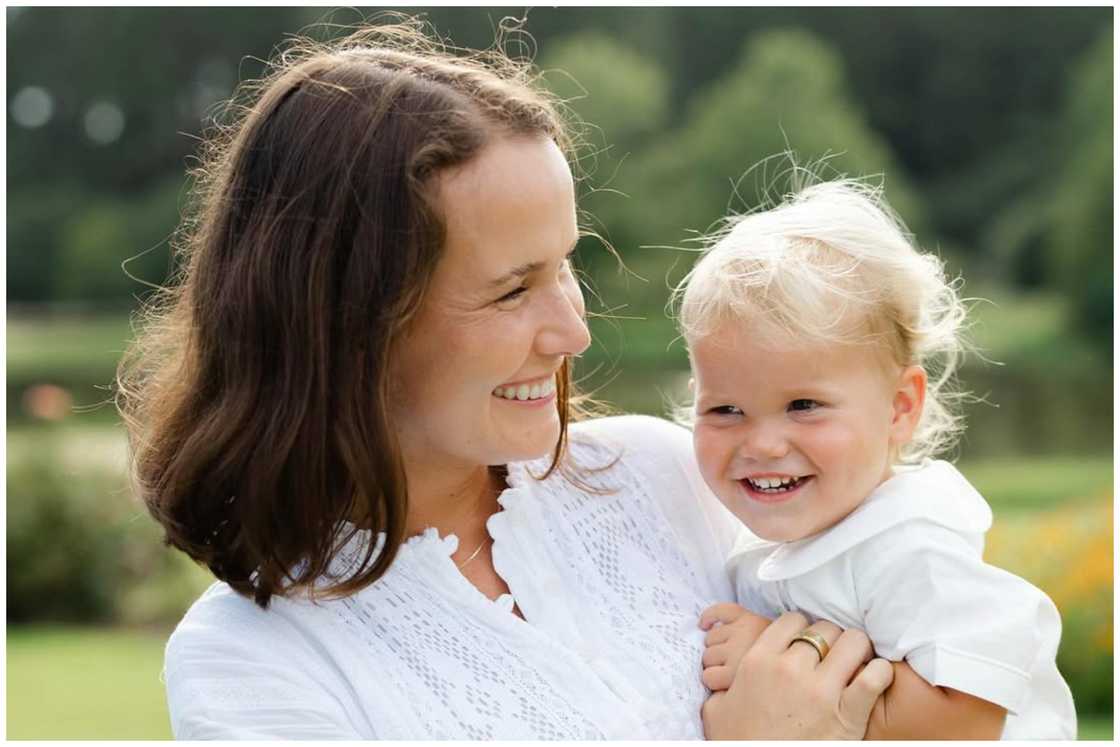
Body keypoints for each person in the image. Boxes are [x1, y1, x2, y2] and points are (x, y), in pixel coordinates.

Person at [115, 19, 904, 739]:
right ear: (349, 321)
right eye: (512, 289)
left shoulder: (662, 477)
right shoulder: (255, 664)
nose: (572, 330)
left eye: (566, 267)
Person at [675, 178, 1078, 739]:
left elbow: (965, 717)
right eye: (724, 410)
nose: (762, 444)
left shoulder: (910, 547)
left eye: (804, 405)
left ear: (899, 407)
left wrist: (768, 662)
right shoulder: (767, 541)